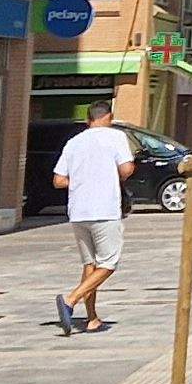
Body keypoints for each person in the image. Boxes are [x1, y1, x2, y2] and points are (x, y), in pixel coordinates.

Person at [50, 102, 135, 334]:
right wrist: (109, 177)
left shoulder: (74, 142)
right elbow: (127, 169)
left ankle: (92, 318)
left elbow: (58, 180)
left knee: (90, 264)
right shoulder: (115, 137)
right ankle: (71, 300)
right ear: (110, 116)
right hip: (104, 209)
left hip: (78, 211)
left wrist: (81, 181)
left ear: (89, 119)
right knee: (108, 263)